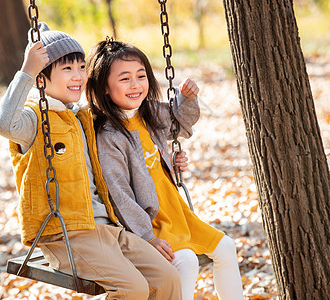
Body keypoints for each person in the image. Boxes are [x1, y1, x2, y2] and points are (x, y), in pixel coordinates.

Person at [0, 23, 182, 300]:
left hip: (108, 228)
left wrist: (168, 159)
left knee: (168, 278)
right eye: (67, 69)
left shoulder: (83, 117)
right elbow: (4, 123)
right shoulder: (35, 120)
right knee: (133, 289)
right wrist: (27, 72)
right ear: (42, 80)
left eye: (82, 67)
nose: (78, 76)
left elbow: (132, 132)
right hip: (66, 235)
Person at [85, 39, 244, 300]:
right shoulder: (109, 136)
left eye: (141, 75)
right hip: (149, 222)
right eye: (124, 79)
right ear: (104, 87)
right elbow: (119, 193)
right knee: (186, 260)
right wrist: (146, 237)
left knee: (226, 247)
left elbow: (179, 124)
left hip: (176, 212)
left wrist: (187, 98)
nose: (136, 85)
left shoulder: (148, 114)